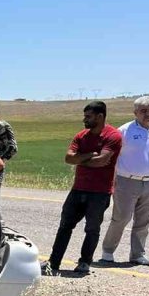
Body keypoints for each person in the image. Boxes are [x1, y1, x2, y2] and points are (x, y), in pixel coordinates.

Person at [43, 101, 123, 275]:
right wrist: (89, 156)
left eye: (88, 116)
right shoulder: (81, 136)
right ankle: (53, 262)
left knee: (92, 229)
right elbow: (68, 158)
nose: (84, 120)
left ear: (100, 116)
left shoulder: (113, 136)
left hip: (100, 192)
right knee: (65, 226)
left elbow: (102, 161)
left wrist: (80, 159)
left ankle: (85, 262)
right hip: (78, 189)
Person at [100, 96, 149, 266]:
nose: (148, 113)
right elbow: (114, 157)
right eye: (144, 111)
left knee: (143, 221)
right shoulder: (124, 131)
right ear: (135, 113)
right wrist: (111, 180)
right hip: (126, 181)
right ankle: (108, 251)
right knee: (121, 218)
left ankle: (137, 254)